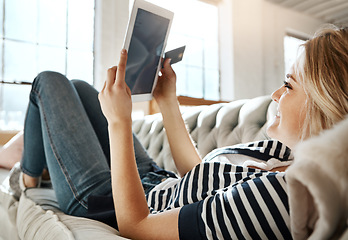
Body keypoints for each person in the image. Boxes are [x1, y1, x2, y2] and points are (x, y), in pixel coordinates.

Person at [1, 25, 347, 239]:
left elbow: (137, 226)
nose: (275, 95)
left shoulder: (285, 198)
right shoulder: (282, 154)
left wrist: (120, 122)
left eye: (288, 85)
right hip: (156, 180)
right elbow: (199, 177)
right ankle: (31, 161)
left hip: (110, 201)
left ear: (326, 106)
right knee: (79, 86)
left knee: (48, 82)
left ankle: (26, 178)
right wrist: (168, 101)